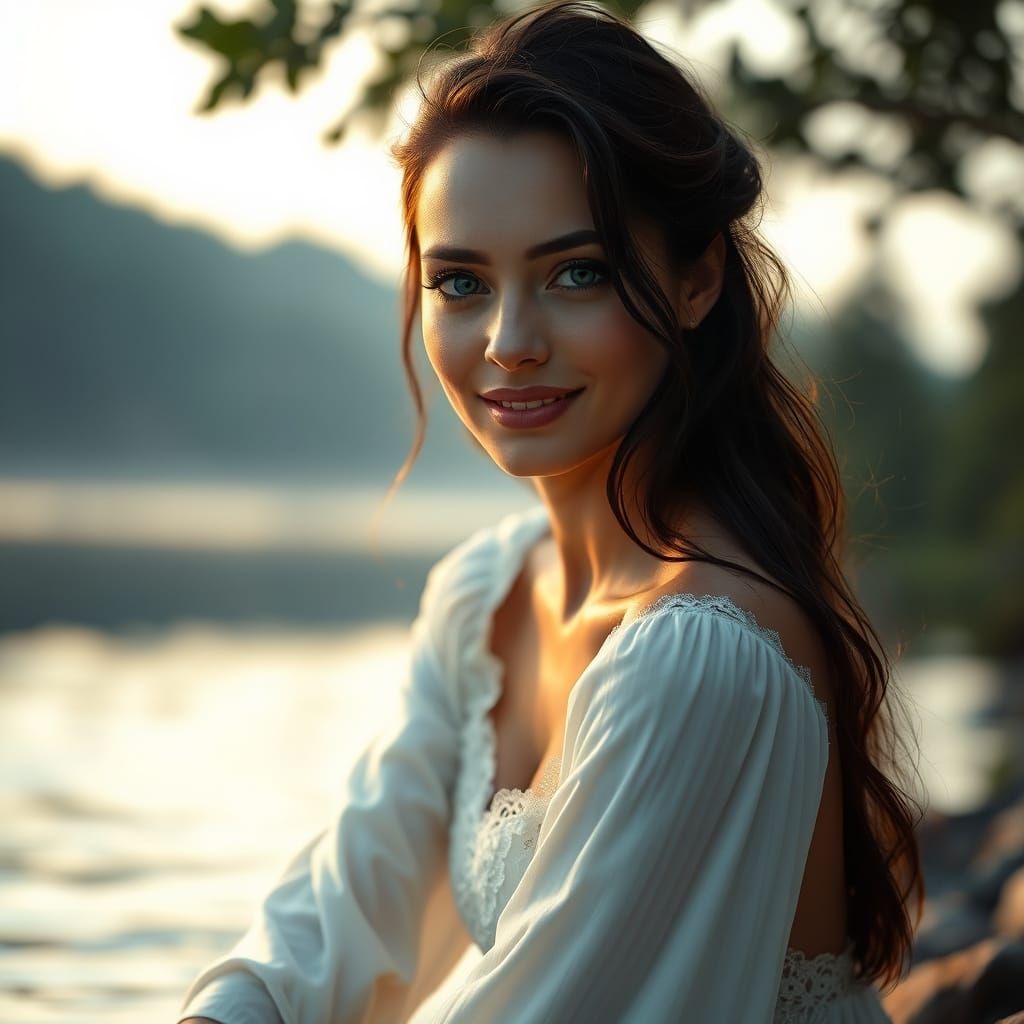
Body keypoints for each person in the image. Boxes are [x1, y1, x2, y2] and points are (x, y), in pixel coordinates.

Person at [177, 1, 925, 1020]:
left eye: (577, 273)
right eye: (460, 282)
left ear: (697, 279)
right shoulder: (488, 593)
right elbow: (351, 897)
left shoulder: (702, 659)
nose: (508, 341)